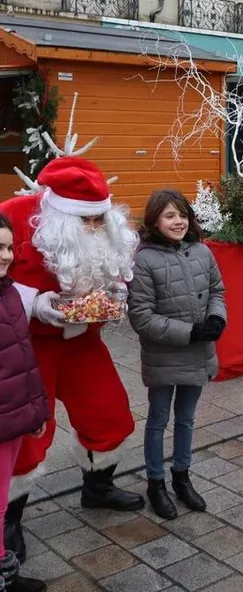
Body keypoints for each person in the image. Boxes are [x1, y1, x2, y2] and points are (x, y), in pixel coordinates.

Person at [0, 156, 145, 564]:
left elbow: (114, 270)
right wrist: (35, 303)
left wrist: (116, 295)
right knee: (28, 431)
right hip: (30, 346)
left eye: (100, 220)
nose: (95, 229)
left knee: (109, 413)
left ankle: (97, 489)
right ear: (61, 213)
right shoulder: (14, 216)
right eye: (87, 222)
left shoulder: (105, 228)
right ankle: (8, 519)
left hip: (83, 342)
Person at [127, 189, 226, 519]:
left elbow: (217, 291)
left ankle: (181, 477)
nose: (178, 221)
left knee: (186, 418)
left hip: (199, 354)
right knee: (158, 420)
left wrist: (216, 317)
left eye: (182, 214)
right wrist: (189, 332)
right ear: (155, 220)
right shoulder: (144, 260)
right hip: (164, 356)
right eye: (169, 215)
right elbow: (141, 316)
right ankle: (156, 482)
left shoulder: (202, 252)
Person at [0, 214, 49, 592]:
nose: (3, 256)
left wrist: (36, 411)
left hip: (14, 415)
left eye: (6, 247)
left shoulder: (10, 292)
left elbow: (23, 360)